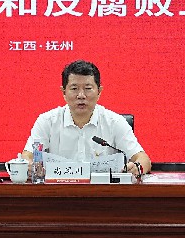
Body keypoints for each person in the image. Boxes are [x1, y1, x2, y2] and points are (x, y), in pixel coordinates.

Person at [23, 60, 151, 177]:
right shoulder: (47, 122)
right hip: (59, 191)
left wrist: (137, 168)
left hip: (103, 192)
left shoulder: (115, 122)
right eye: (74, 89)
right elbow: (27, 156)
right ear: (64, 92)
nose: (81, 95)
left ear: (99, 91)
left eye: (88, 89)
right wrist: (28, 165)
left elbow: (143, 159)